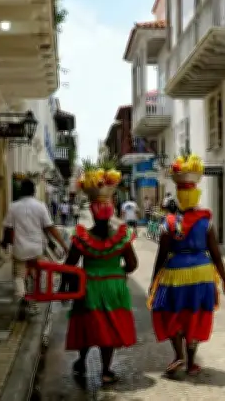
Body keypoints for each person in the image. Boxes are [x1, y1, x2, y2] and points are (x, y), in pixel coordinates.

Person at [148, 155, 225, 376]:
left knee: (169, 311)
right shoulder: (206, 221)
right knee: (196, 314)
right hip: (202, 274)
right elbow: (216, 254)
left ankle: (178, 355)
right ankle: (192, 363)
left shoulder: (168, 223)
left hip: (174, 274)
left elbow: (161, 255)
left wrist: (153, 280)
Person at [62, 165, 138, 387]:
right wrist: (117, 271)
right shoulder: (122, 237)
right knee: (110, 327)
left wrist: (64, 287)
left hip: (89, 287)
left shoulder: (82, 237)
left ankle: (82, 361)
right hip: (114, 286)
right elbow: (132, 264)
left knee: (88, 324)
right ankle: (106, 371)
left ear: (92, 212)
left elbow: (70, 264)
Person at [1, 179, 70, 320]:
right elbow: (49, 227)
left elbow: (8, 228)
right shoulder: (40, 206)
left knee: (19, 275)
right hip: (36, 249)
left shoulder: (13, 206)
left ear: (21, 191)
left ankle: (21, 296)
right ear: (33, 191)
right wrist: (63, 244)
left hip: (20, 249)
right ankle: (33, 303)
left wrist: (5, 243)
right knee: (35, 275)